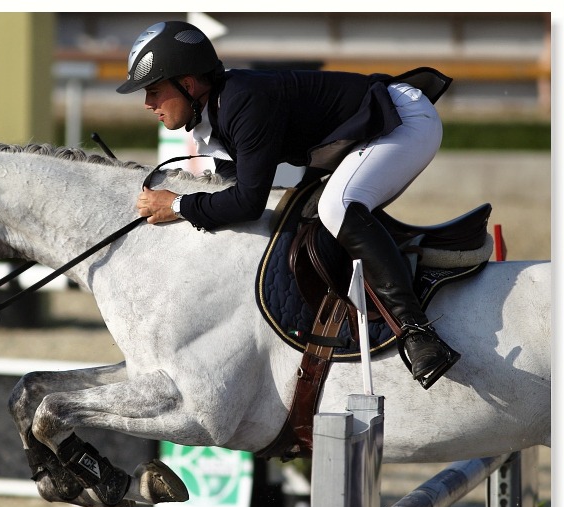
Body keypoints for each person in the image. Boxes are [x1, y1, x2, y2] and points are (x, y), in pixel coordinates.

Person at [116, 20, 460, 385]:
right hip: (365, 135)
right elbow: (240, 191)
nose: (147, 103)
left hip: (403, 122)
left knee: (337, 208)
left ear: (187, 85)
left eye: (153, 90)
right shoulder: (220, 108)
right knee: (312, 215)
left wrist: (180, 206)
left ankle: (418, 333)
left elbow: (248, 203)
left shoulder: (242, 102)